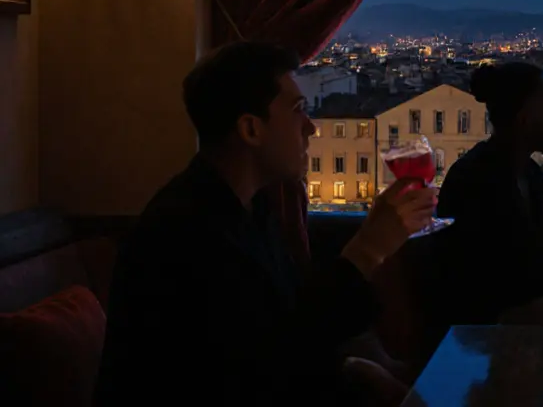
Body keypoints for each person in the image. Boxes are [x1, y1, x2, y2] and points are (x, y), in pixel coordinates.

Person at [95, 42, 437, 407]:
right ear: (250, 130)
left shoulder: (251, 210)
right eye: (297, 110)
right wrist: (368, 248)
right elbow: (273, 364)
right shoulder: (185, 235)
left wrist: (357, 369)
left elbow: (289, 325)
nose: (311, 128)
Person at [428, 62, 543, 329]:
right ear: (525, 118)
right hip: (487, 349)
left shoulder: (528, 176)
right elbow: (477, 294)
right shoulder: (474, 182)